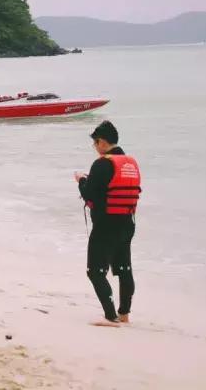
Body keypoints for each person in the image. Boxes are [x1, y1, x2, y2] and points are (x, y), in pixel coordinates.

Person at [76, 120, 140, 326]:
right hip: (127, 223)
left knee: (95, 271)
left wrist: (81, 181)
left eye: (95, 144)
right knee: (124, 269)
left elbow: (89, 193)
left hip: (105, 225)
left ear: (102, 142)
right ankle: (124, 314)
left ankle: (110, 316)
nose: (95, 149)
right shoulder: (131, 162)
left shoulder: (102, 163)